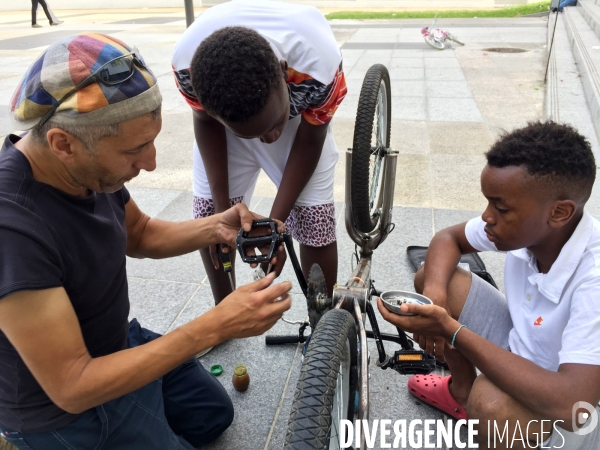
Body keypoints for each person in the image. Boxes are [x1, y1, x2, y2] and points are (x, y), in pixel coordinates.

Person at [0, 33, 290, 449]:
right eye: (134, 151)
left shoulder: (85, 168)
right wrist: (214, 325)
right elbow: (72, 384)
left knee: (213, 415)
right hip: (66, 406)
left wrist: (217, 226)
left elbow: (139, 233)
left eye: (152, 141)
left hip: (115, 339)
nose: (151, 163)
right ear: (63, 144)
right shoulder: (13, 229)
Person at [378, 121, 600, 449]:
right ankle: (461, 393)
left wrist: (451, 330)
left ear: (559, 212)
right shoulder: (535, 227)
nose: (486, 216)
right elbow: (447, 238)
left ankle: (489, 415)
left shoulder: (593, 280)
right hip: (523, 344)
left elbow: (573, 408)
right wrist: (436, 297)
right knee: (435, 277)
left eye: (500, 207)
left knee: (492, 405)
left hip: (574, 411)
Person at [171, 0, 347, 312]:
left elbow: (311, 138)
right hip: (231, 125)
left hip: (301, 127)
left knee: (314, 219)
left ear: (282, 72)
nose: (270, 139)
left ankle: (323, 318)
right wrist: (220, 217)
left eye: (273, 127)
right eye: (258, 135)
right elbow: (205, 121)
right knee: (209, 217)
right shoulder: (188, 67)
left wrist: (277, 224)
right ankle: (223, 313)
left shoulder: (320, 67)